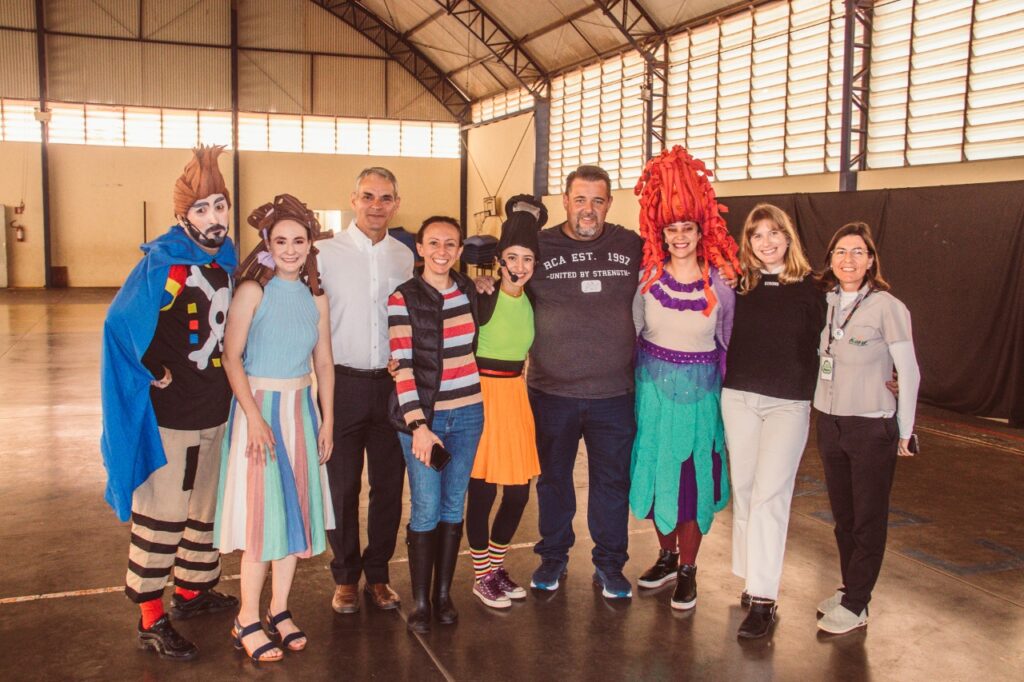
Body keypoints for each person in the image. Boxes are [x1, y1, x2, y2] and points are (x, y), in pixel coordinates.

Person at [100, 146, 239, 661]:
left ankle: (191, 591)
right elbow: (119, 325)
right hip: (171, 417)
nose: (213, 217)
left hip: (216, 410)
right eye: (202, 209)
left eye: (219, 205)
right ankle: (151, 617)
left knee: (204, 508)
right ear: (183, 216)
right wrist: (152, 370)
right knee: (162, 513)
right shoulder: (164, 265)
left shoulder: (226, 264)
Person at [215, 194, 335, 663]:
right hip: (260, 411)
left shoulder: (316, 297)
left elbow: (324, 362)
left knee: (295, 514)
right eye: (280, 241)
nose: (290, 249)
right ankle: (246, 617)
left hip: (301, 411)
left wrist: (327, 419)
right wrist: (253, 417)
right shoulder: (252, 291)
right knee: (262, 519)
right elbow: (231, 357)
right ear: (267, 243)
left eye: (298, 241)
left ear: (309, 245)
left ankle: (278, 610)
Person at [520, 165, 643, 600]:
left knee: (612, 483)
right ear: (565, 202)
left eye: (597, 200)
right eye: (579, 200)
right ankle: (552, 556)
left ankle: (610, 564)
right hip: (551, 392)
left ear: (609, 204)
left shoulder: (631, 244)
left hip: (615, 394)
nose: (588, 210)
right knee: (553, 480)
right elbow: (507, 287)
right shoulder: (538, 245)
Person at [630, 146, 739, 610]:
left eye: (687, 228)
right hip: (652, 396)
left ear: (701, 231)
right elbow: (633, 333)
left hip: (701, 401)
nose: (679, 237)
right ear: (662, 233)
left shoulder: (721, 284)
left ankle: (689, 569)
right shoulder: (645, 279)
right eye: (672, 229)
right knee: (658, 477)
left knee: (693, 482)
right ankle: (667, 558)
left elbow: (729, 345)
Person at [720, 203, 826, 638]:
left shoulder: (815, 288)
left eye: (773, 233)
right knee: (746, 492)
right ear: (748, 243)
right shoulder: (739, 286)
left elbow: (834, 342)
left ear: (787, 237)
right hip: (739, 398)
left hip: (789, 404)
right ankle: (752, 578)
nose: (766, 242)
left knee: (771, 497)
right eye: (757, 235)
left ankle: (765, 597)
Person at [813, 222, 919, 635]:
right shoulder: (826, 302)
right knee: (844, 517)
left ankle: (858, 603)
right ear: (830, 260)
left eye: (858, 252)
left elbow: (909, 371)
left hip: (871, 426)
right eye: (841, 252)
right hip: (830, 422)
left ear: (871, 260)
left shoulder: (887, 307)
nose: (848, 259)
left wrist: (906, 431)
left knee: (868, 518)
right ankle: (850, 589)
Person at [317, 168, 413, 614]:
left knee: (389, 487)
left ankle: (378, 574)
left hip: (392, 387)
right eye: (368, 196)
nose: (377, 205)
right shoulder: (323, 254)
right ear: (353, 199)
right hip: (342, 384)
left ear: (396, 204)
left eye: (386, 198)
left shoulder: (404, 257)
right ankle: (345, 577)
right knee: (341, 487)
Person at [388, 216, 484, 632]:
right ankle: (421, 601)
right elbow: (403, 366)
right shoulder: (402, 298)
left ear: (460, 250)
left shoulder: (468, 290)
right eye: (433, 243)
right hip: (424, 419)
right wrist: (418, 426)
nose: (441, 251)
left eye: (450, 244)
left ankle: (444, 594)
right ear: (420, 248)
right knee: (426, 505)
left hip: (469, 414)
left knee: (453, 503)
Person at [465, 196, 546, 608]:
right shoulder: (481, 294)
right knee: (481, 493)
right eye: (512, 257)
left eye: (527, 259)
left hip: (515, 398)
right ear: (499, 260)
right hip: (481, 398)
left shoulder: (533, 301)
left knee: (517, 494)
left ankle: (495, 567)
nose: (519, 266)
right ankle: (482, 576)